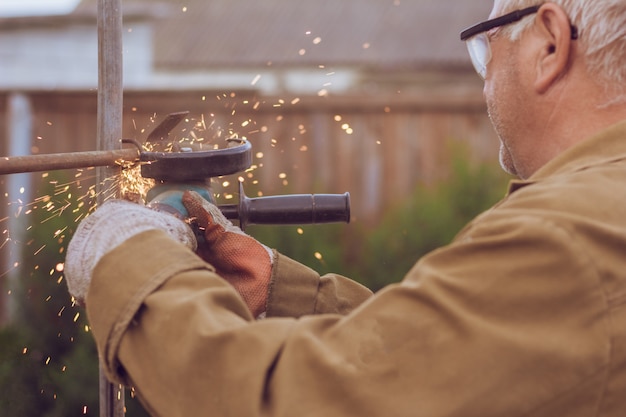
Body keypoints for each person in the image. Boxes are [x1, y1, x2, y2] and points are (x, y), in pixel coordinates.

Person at [65, 1, 626, 415]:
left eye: (487, 49)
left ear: (549, 44)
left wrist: (131, 260)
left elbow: (286, 403)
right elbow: (441, 374)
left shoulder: (569, 240)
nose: (485, 84)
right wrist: (278, 293)